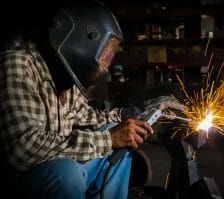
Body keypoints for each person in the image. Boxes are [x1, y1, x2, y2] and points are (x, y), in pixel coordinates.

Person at [0, 0, 185, 198]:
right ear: (81, 37)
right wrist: (108, 139)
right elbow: (24, 149)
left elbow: (90, 117)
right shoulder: (17, 64)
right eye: (105, 52)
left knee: (119, 142)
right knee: (67, 172)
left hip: (57, 168)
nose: (105, 62)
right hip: (26, 180)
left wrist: (133, 114)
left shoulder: (65, 80)